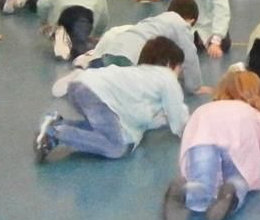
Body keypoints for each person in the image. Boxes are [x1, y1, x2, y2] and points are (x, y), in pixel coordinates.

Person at [163, 70, 260, 220]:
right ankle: (231, 193)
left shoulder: (203, 109)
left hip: (201, 144)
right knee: (238, 179)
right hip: (234, 150)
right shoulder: (254, 114)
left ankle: (185, 191)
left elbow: (189, 133)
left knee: (202, 186)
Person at [34, 36, 188, 162]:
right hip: (95, 95)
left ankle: (58, 122)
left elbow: (138, 115)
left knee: (102, 129)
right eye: (179, 69)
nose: (179, 75)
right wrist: (187, 129)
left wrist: (160, 120)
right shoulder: (167, 77)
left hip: (81, 86)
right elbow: (177, 113)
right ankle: (56, 133)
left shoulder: (141, 75)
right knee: (115, 147)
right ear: (170, 64)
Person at [75, 0, 208, 95]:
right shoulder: (181, 25)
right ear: (191, 20)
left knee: (109, 76)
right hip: (133, 58)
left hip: (114, 49)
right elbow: (189, 57)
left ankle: (86, 76)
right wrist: (195, 86)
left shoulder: (156, 20)